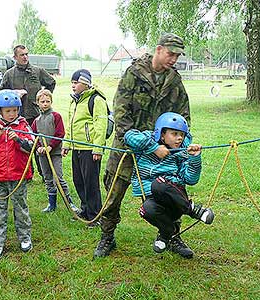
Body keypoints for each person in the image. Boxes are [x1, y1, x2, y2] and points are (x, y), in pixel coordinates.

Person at [94, 33, 191, 257]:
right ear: (158, 50)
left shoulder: (174, 80)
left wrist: (182, 144)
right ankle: (107, 236)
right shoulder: (134, 73)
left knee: (170, 191)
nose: (174, 59)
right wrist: (143, 144)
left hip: (162, 150)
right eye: (171, 53)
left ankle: (171, 235)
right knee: (114, 191)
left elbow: (183, 115)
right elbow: (120, 111)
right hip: (127, 147)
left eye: (177, 55)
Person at [124, 112, 214, 258]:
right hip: (153, 198)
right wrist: (154, 148)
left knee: (159, 184)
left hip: (176, 200)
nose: (180, 138)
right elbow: (129, 136)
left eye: (182, 135)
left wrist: (195, 159)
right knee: (146, 209)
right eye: (174, 133)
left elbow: (190, 179)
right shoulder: (148, 139)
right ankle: (167, 234)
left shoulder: (182, 151)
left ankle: (193, 210)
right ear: (162, 133)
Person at [0, 90, 34, 259]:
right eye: (8, 111)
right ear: (0, 111)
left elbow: (31, 147)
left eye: (15, 110)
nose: (12, 114)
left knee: (21, 209)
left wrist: (18, 140)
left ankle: (25, 238)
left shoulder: (24, 126)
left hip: (18, 176)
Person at [0, 44, 56, 179]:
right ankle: (26, 174)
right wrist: (14, 93)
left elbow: (51, 82)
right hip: (17, 117)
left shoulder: (37, 71)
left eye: (26, 54)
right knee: (21, 145)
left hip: (36, 115)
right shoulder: (9, 74)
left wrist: (43, 95)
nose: (25, 57)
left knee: (39, 143)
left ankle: (44, 174)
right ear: (15, 57)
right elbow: (1, 92)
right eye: (22, 55)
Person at [62, 69, 108, 228]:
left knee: (91, 182)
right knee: (78, 180)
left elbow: (101, 125)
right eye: (72, 83)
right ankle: (85, 209)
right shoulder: (74, 100)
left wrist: (97, 148)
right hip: (76, 148)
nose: (73, 86)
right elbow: (70, 125)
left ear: (86, 83)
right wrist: (67, 144)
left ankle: (95, 215)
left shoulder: (96, 100)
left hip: (90, 149)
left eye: (76, 83)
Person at [30, 89, 81, 213]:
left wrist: (51, 146)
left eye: (48, 101)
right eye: (42, 102)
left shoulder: (56, 116)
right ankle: (51, 204)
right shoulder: (36, 121)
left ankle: (69, 202)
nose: (45, 104)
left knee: (58, 177)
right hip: (42, 154)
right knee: (47, 178)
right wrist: (39, 148)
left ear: (51, 102)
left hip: (55, 152)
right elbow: (33, 136)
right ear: (38, 103)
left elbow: (60, 133)